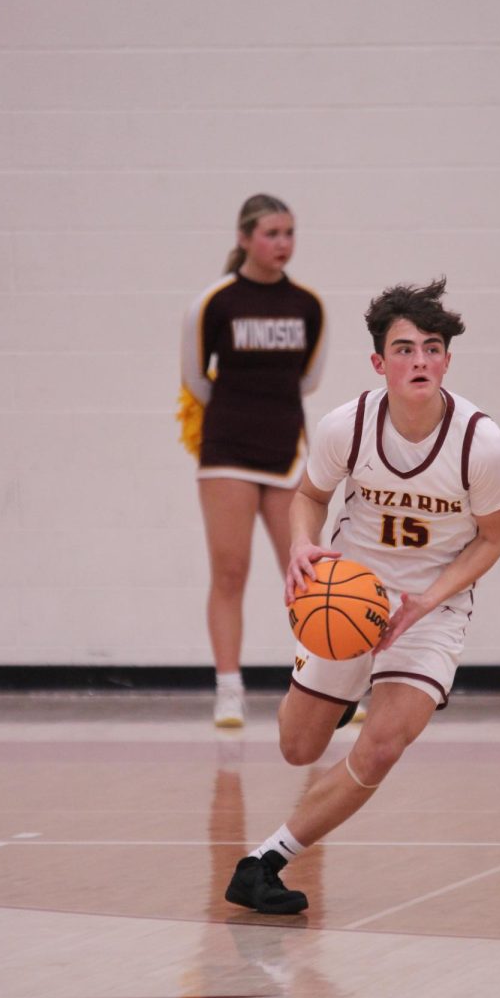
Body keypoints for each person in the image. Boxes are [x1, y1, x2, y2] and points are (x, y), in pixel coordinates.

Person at [223, 276, 500, 914]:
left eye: (432, 348)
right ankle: (345, 685)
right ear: (379, 362)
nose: (420, 361)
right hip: (350, 593)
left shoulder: (481, 443)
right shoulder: (345, 426)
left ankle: (265, 861)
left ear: (447, 359)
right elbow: (308, 497)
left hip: (431, 608)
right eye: (405, 349)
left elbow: (493, 539)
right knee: (298, 746)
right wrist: (303, 546)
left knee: (381, 745)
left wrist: (428, 600)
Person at [178, 194, 326, 728]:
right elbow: (195, 379)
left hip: (287, 450)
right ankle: (229, 689)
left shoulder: (308, 304)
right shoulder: (214, 303)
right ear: (243, 238)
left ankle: (323, 687)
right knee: (231, 571)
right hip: (227, 453)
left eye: (289, 233)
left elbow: (308, 378)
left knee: (307, 575)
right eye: (271, 233)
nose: (282, 244)